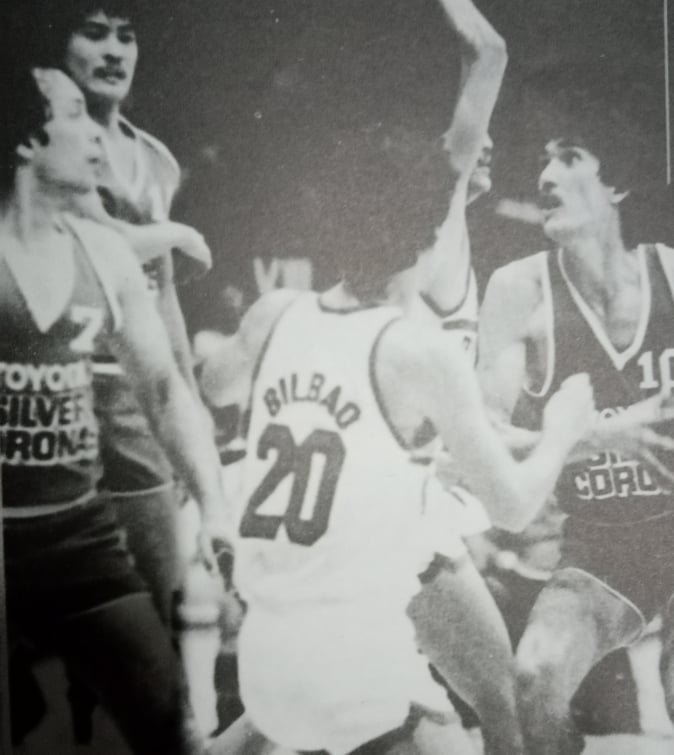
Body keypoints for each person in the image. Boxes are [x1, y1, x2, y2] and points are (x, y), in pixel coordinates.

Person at [0, 64, 227, 754]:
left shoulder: (106, 256)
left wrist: (216, 507)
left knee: (175, 728)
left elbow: (162, 390)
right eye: (75, 116)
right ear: (28, 141)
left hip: (79, 542)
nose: (98, 135)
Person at [478, 135, 674, 754]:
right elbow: (482, 442)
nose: (546, 174)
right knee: (534, 681)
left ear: (617, 185)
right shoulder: (521, 290)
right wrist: (589, 435)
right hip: (606, 545)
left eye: (569, 158)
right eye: (540, 159)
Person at [33, 0, 215, 625]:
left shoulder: (157, 160)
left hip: (135, 397)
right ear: (62, 47)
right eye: (94, 33)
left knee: (158, 604)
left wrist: (194, 412)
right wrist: (178, 234)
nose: (114, 52)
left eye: (126, 37)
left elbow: (163, 295)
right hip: (57, 394)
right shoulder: (46, 144)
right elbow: (95, 241)